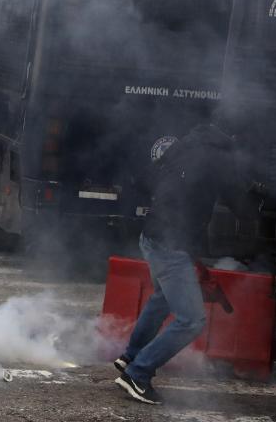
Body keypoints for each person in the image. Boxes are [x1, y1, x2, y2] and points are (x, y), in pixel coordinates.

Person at [114, 122, 252, 405]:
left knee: (162, 298)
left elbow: (146, 179)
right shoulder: (220, 158)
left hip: (152, 236)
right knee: (192, 320)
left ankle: (130, 355)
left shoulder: (186, 143)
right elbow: (241, 204)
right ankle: (137, 375)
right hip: (171, 245)